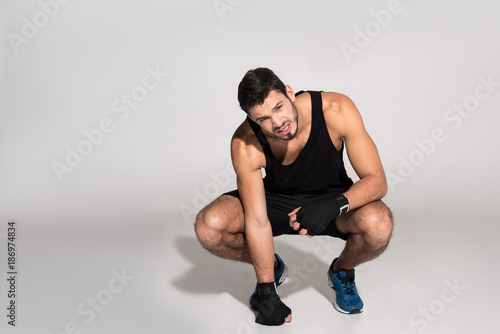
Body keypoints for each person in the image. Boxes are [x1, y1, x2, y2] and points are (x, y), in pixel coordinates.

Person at [194, 67, 393, 326]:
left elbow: (377, 181)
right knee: (210, 226)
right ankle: (271, 268)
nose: (277, 123)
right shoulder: (244, 143)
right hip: (275, 201)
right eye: (263, 119)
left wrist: (335, 205)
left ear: (289, 92)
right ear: (251, 119)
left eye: (278, 107)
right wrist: (267, 292)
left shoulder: (336, 109)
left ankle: (341, 271)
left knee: (379, 224)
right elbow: (257, 221)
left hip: (332, 197)